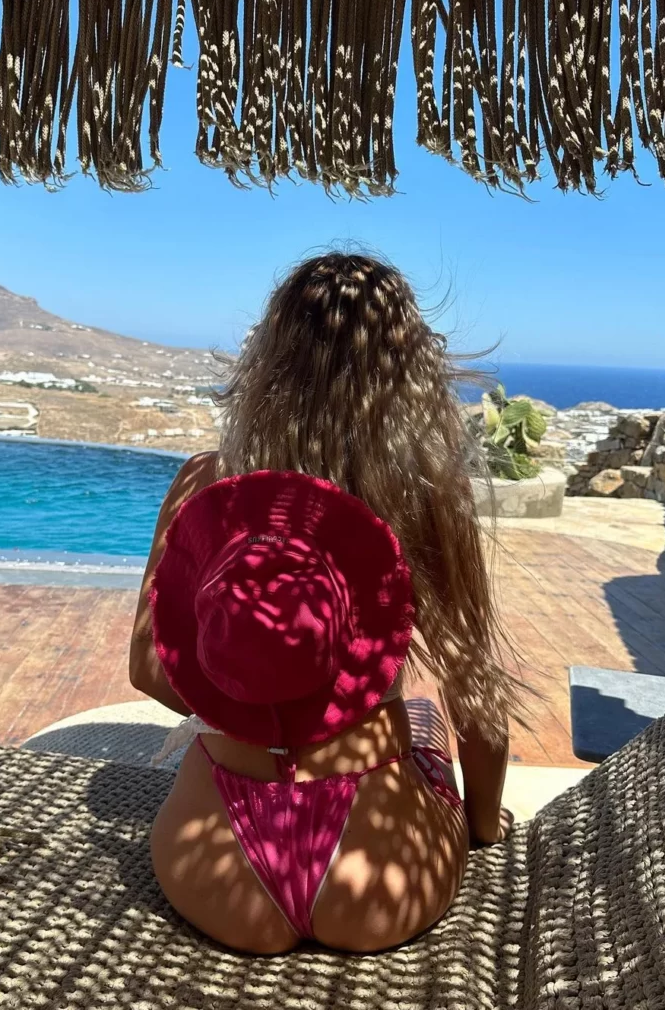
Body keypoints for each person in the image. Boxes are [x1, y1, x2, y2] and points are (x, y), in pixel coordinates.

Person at [129, 253, 521, 954]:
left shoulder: (208, 482)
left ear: (268, 358)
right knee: (423, 714)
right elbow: (475, 696)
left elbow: (150, 670)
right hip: (377, 866)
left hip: (213, 851)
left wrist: (257, 694)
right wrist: (485, 827)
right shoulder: (424, 495)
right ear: (409, 371)